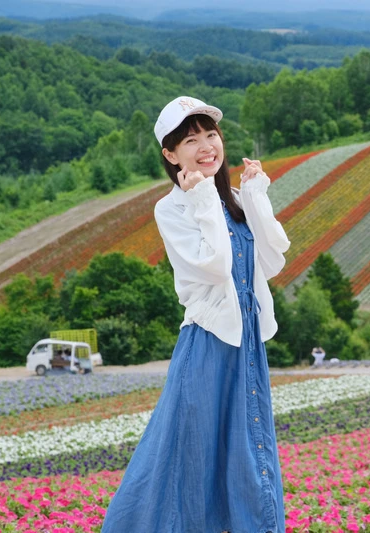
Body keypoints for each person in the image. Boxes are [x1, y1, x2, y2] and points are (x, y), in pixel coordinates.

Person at [101, 96, 290, 533]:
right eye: (190, 139)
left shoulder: (235, 198)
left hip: (246, 344)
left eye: (211, 134)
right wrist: (203, 197)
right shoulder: (173, 208)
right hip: (207, 343)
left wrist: (256, 197)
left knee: (247, 447)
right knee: (186, 454)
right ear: (170, 154)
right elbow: (214, 266)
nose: (206, 146)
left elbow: (273, 259)